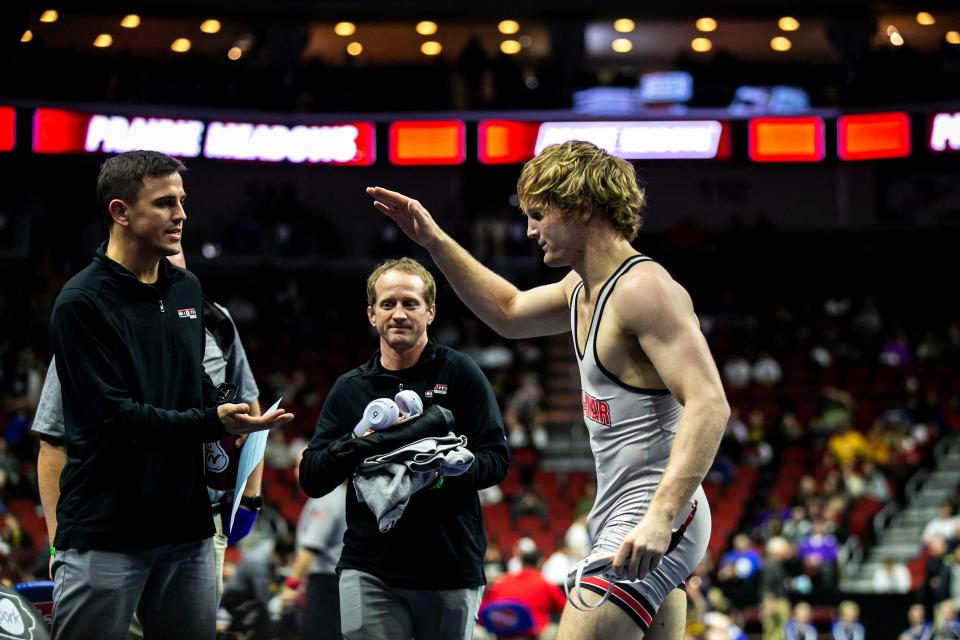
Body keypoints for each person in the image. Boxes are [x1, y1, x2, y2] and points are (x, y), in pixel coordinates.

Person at [367, 139, 729, 639]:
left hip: (654, 514)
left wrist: (660, 518)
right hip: (621, 511)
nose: (530, 229)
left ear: (581, 207)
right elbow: (509, 313)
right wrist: (434, 241)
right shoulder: (582, 288)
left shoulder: (643, 289)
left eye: (539, 214)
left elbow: (709, 403)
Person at [46, 150, 293, 639]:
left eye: (181, 201)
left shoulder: (186, 290)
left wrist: (232, 411)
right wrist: (213, 420)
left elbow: (189, 381)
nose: (182, 215)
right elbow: (114, 420)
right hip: (106, 533)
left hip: (188, 532)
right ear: (121, 212)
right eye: (164, 203)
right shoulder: (81, 304)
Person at [34, 253, 267, 602]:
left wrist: (251, 498)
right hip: (113, 529)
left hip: (198, 529)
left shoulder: (216, 320)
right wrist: (56, 548)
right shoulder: (91, 317)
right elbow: (54, 439)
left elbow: (248, 409)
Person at [299, 257, 510, 640]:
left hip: (449, 567)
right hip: (370, 567)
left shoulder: (460, 374)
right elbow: (312, 476)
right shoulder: (351, 389)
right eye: (388, 304)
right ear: (371, 314)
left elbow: (496, 459)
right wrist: (361, 442)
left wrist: (449, 467)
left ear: (430, 311)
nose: (399, 314)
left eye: (410, 303)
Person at [281, 476, 348, 640]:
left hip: (326, 583)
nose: (296, 471)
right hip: (336, 580)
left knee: (319, 634)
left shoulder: (327, 498)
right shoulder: (339, 494)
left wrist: (291, 584)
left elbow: (311, 547)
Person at [480, 542, 566, 639]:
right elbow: (565, 608)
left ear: (521, 563)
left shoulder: (502, 581)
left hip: (500, 633)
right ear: (540, 563)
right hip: (534, 633)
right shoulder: (545, 583)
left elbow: (483, 610)